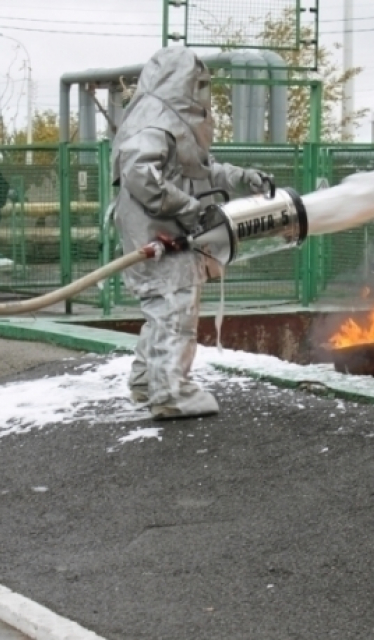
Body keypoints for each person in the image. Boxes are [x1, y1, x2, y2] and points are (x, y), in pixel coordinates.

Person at [111, 46, 268, 420]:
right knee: (176, 310)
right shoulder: (154, 122)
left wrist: (243, 178)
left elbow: (202, 171)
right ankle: (171, 392)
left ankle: (147, 380)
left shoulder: (169, 121)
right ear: (178, 82)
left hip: (163, 233)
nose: (202, 94)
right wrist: (188, 208)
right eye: (198, 85)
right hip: (158, 234)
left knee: (163, 310)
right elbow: (139, 174)